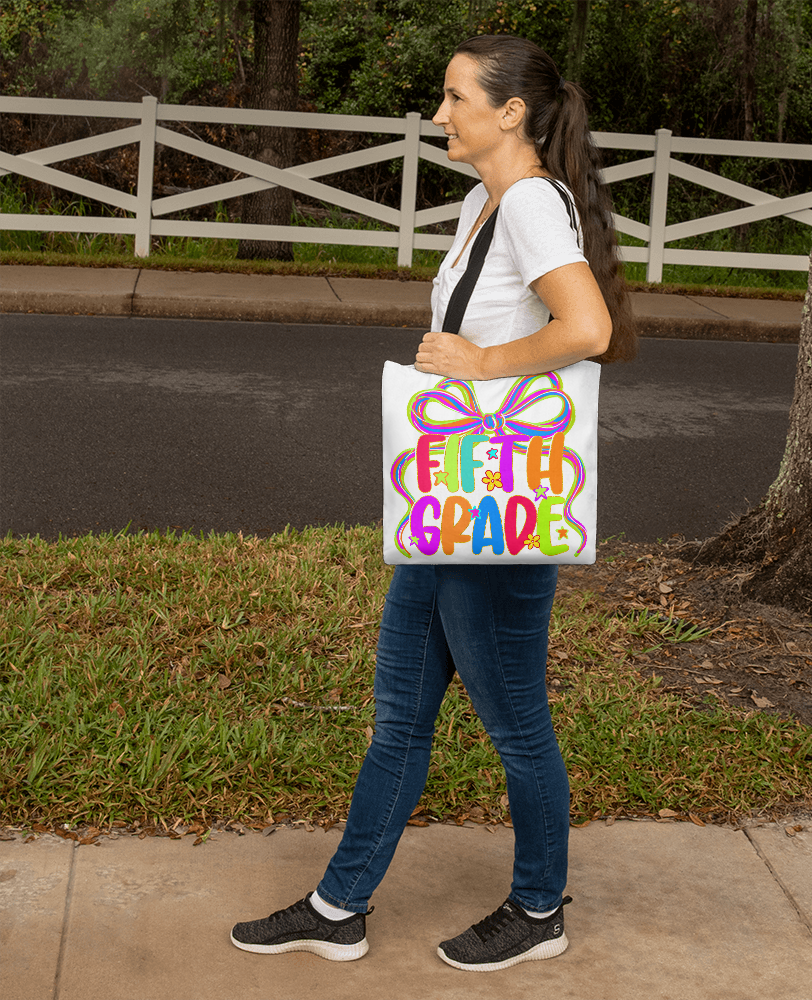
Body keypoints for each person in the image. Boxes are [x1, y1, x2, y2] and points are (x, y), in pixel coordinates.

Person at [230, 34, 636, 973]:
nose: (440, 113)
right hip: (453, 505)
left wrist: (485, 363)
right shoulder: (482, 202)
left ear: (510, 114)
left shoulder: (531, 202)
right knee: (402, 717)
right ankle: (339, 907)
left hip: (497, 513)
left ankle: (539, 910)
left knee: (517, 724)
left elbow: (589, 328)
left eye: (455, 98)